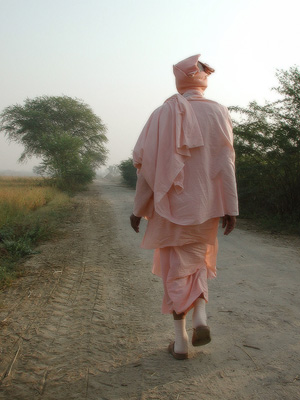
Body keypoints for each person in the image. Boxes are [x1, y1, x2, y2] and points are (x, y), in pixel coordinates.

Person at [130, 54, 238, 360]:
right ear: (203, 81)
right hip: (206, 206)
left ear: (179, 80)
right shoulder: (219, 112)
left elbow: (146, 167)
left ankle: (180, 342)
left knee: (174, 271)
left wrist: (138, 208)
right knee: (197, 260)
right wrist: (231, 207)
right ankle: (200, 315)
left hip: (167, 209)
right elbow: (225, 163)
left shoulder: (162, 113)